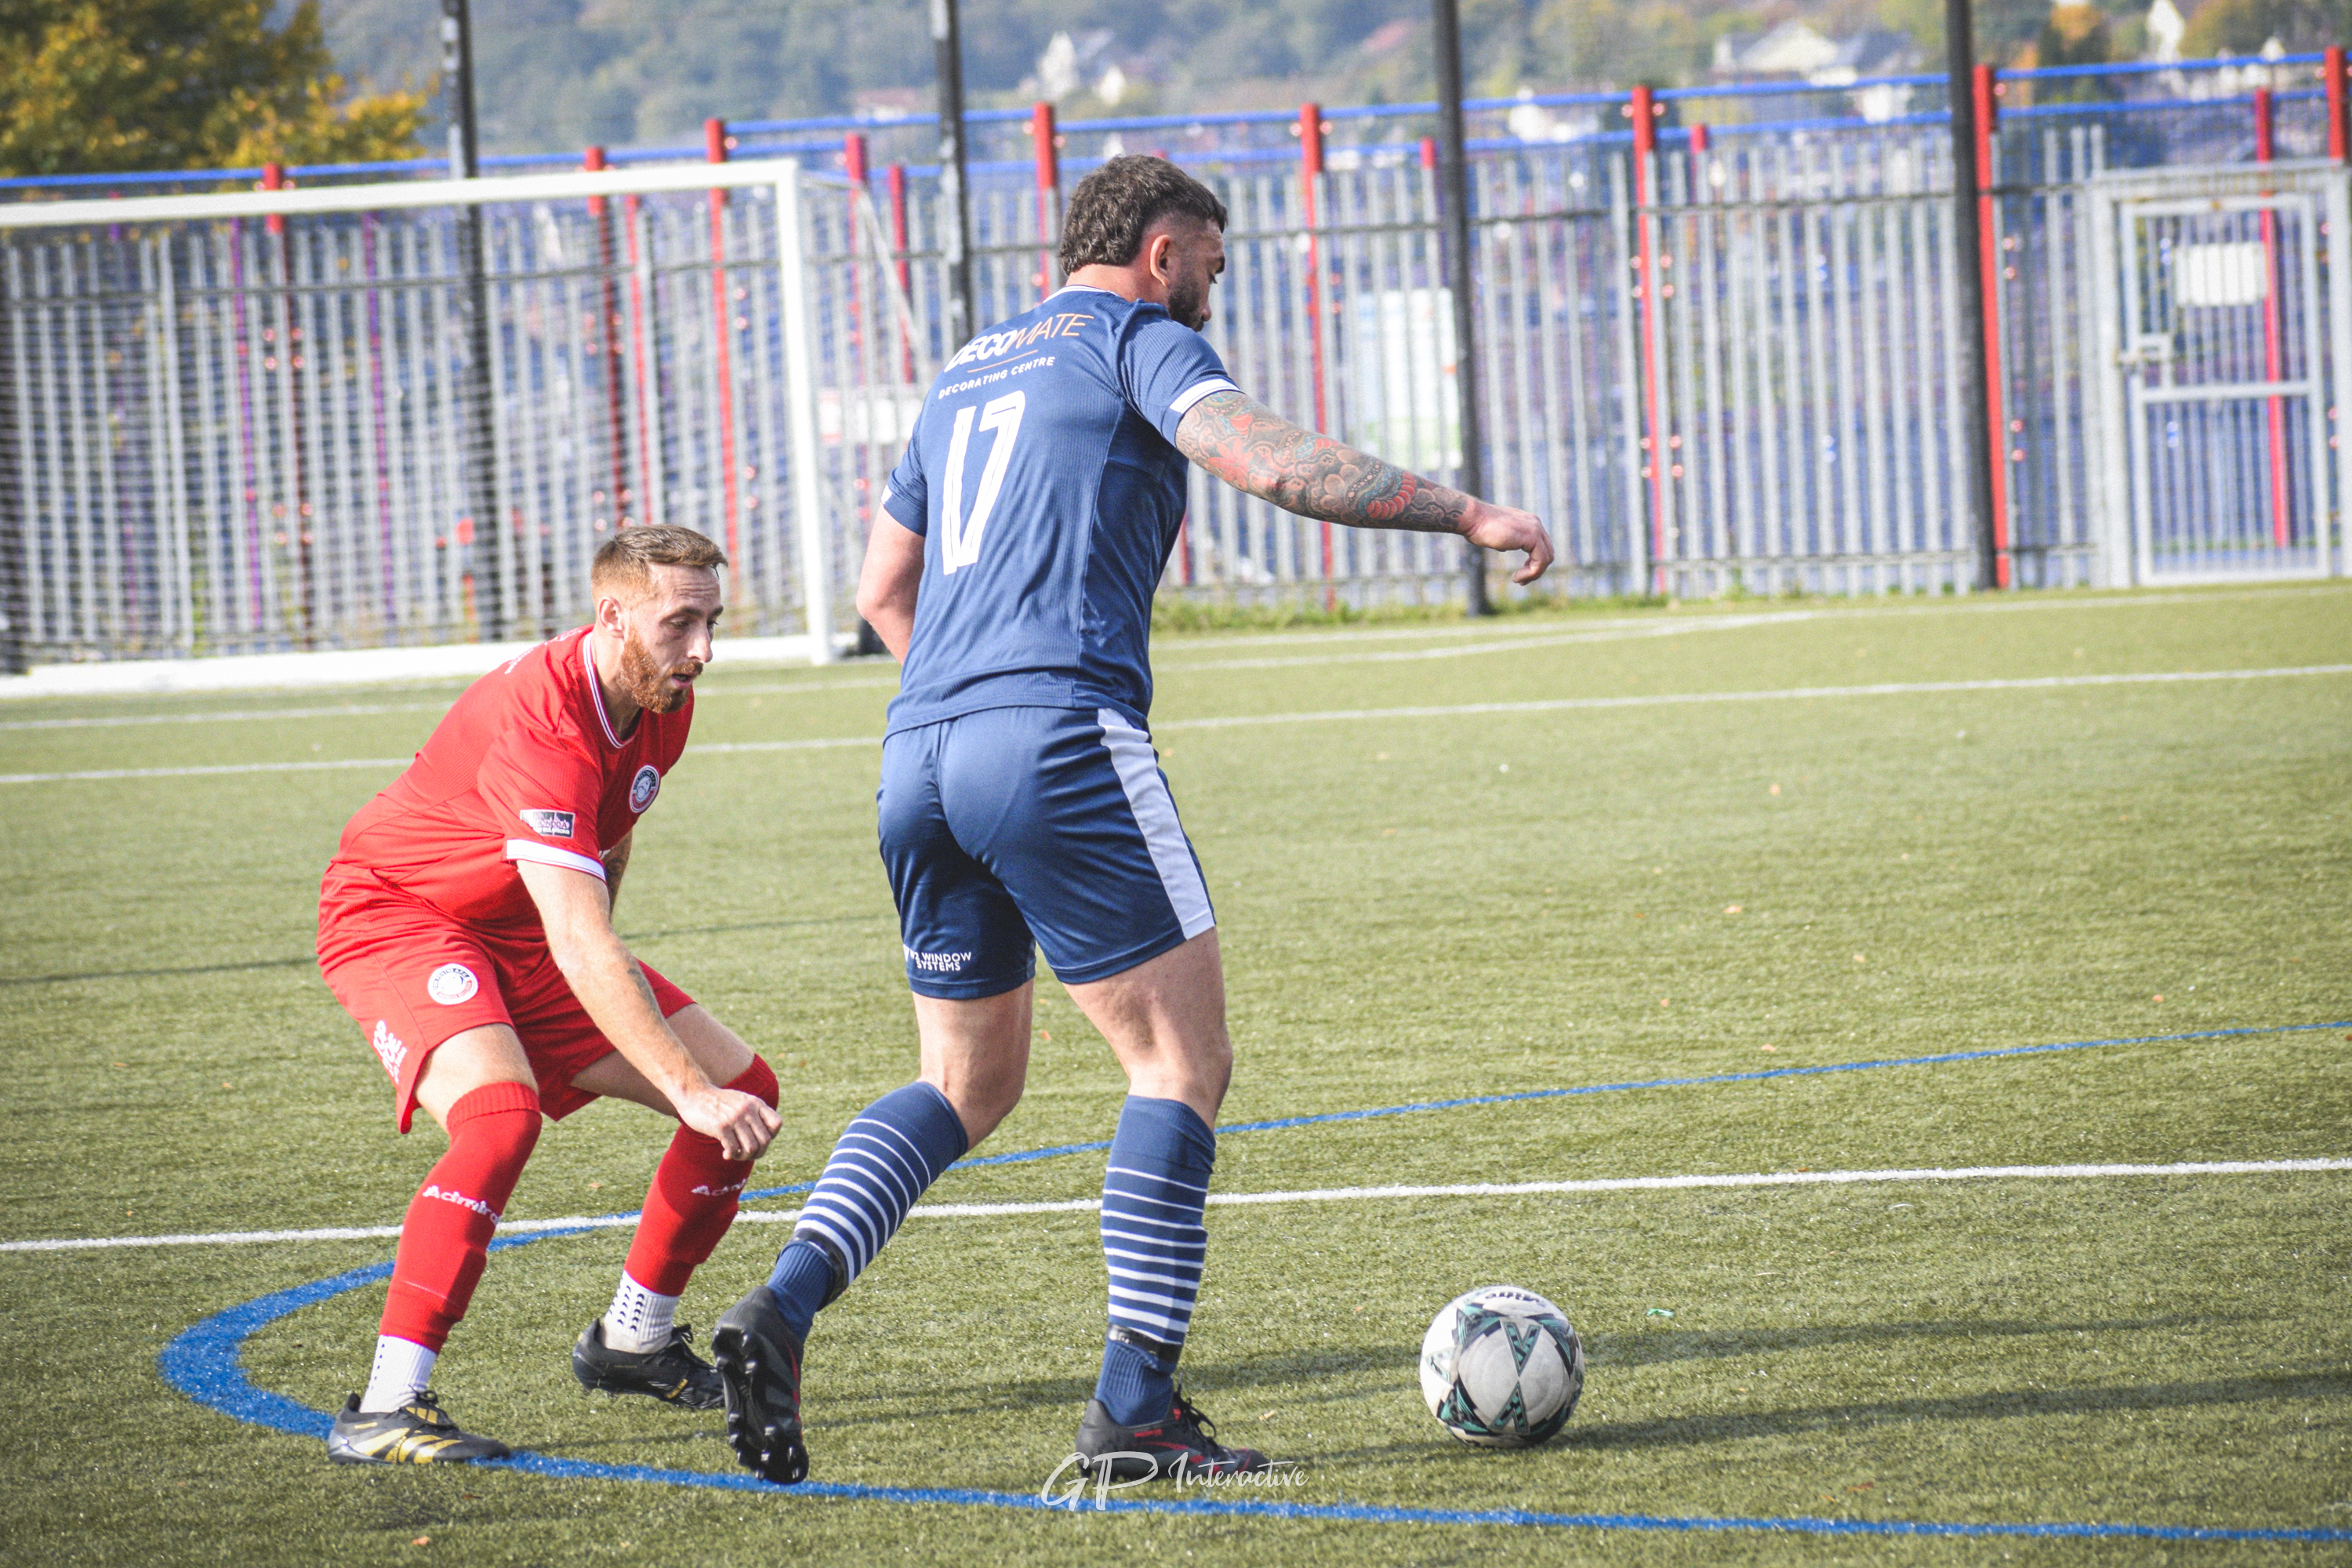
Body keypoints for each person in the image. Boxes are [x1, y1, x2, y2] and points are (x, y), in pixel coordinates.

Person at [712, 154, 1552, 1487]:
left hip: (919, 750)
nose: (1217, 285)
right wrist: (1463, 511)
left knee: (964, 1084)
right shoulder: (1135, 338)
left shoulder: (969, 368)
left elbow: (885, 583)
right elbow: (1266, 462)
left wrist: (967, 696)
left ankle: (783, 1305)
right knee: (1179, 1067)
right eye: (1212, 261)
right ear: (1162, 250)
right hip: (1054, 738)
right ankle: (1133, 1413)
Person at [316, 524, 783, 1465]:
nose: (702, 649)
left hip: (523, 930)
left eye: (712, 621)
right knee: (499, 1115)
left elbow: (607, 850)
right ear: (611, 615)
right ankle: (383, 1406)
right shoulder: (544, 722)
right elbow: (581, 933)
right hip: (402, 914)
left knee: (749, 1087)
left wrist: (675, 1059)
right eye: (679, 622)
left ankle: (631, 1339)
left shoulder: (662, 696)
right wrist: (682, 1084)